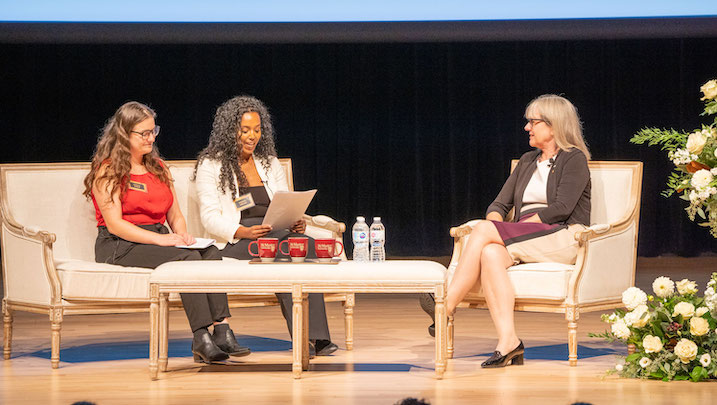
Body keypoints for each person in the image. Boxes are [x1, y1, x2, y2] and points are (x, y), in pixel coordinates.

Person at [83, 101, 250, 364]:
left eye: (153, 131)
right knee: (187, 261)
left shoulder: (158, 167)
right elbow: (115, 223)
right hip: (119, 243)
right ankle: (200, 337)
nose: (151, 138)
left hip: (157, 237)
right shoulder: (108, 169)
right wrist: (162, 240)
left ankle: (222, 329)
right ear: (125, 134)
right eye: (144, 133)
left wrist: (182, 236)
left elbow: (175, 215)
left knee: (208, 252)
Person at [442, 94, 591, 368]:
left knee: (487, 231)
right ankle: (508, 341)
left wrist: (513, 226)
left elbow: (561, 208)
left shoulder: (574, 159)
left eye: (533, 122)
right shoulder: (526, 160)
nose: (527, 128)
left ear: (554, 125)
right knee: (489, 253)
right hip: (526, 236)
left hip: (562, 236)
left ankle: (445, 305)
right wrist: (499, 223)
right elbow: (499, 204)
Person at [193, 95, 338, 356]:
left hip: (274, 233)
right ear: (229, 131)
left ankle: (312, 335)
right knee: (288, 252)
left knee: (302, 245)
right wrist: (244, 231)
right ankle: (313, 337)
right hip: (237, 240)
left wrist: (294, 222)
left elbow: (283, 202)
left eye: (257, 130)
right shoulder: (211, 165)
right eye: (245, 130)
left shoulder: (269, 163)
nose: (252, 136)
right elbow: (210, 218)